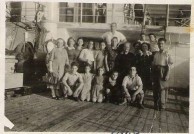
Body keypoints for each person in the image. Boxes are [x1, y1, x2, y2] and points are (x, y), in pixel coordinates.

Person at [152, 38, 173, 110]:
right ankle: (156, 104)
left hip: (163, 71)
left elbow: (169, 65)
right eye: (159, 43)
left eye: (162, 43)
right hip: (156, 71)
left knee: (162, 89)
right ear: (157, 44)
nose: (160, 45)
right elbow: (154, 64)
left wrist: (167, 74)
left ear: (165, 44)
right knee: (155, 88)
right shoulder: (156, 53)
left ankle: (162, 105)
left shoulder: (167, 53)